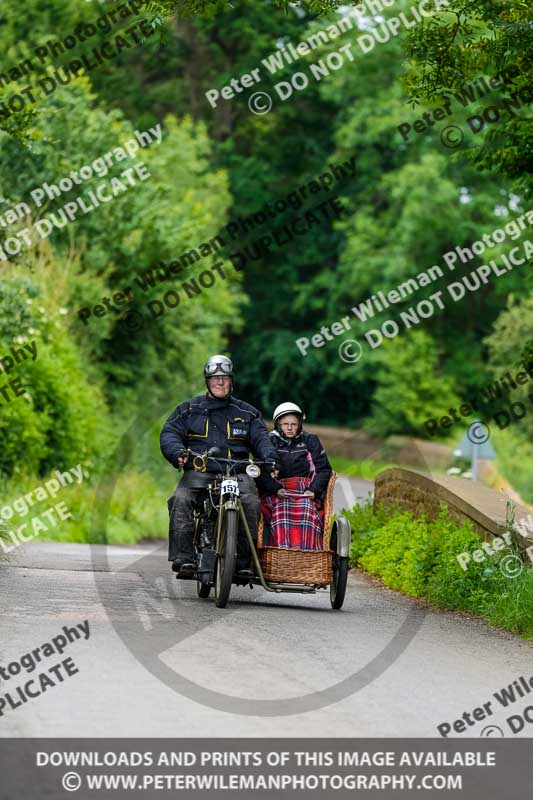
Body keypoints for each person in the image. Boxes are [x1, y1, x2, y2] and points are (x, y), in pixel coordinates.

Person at [160, 355, 279, 577]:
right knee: (180, 500)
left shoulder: (248, 413)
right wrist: (176, 452)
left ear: (231, 381)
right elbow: (170, 433)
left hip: (237, 473)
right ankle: (184, 558)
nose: (220, 383)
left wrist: (270, 457)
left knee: (251, 503)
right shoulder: (188, 409)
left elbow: (263, 439)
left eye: (224, 378)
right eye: (215, 379)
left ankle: (244, 563)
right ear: (207, 381)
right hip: (200, 471)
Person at [258, 402, 333, 550]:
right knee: (281, 513)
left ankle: (306, 556)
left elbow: (324, 470)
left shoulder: (310, 440)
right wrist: (276, 488)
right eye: (285, 424)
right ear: (278, 424)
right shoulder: (269, 441)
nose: (290, 428)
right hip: (278, 492)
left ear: (300, 424)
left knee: (307, 511)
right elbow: (260, 471)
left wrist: (312, 490)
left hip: (305, 492)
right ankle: (282, 555)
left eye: (294, 424)